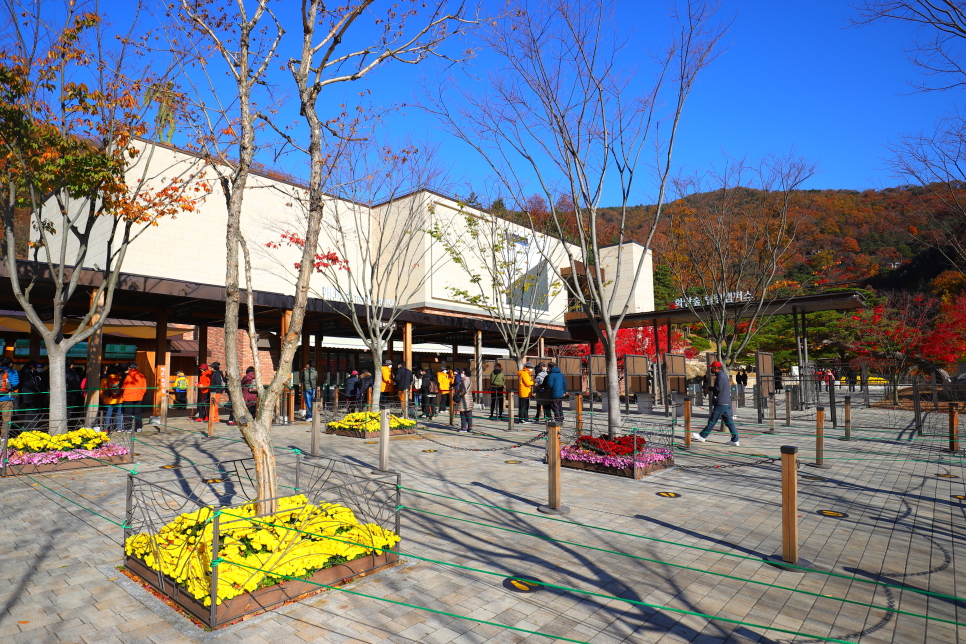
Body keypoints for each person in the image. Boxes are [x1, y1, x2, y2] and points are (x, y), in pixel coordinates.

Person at [691, 361, 739, 446]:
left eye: (712, 367)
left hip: (721, 402)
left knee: (712, 420)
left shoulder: (720, 376)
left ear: (716, 368)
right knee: (729, 422)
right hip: (726, 402)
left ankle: (702, 436)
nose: (711, 369)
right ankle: (735, 440)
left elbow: (718, 388)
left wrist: (709, 388)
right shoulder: (723, 375)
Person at [121, 362, 147, 432]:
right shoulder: (142, 376)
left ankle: (128, 428)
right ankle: (138, 428)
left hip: (128, 396)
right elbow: (144, 388)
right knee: (138, 413)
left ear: (129, 368)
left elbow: (123, 387)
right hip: (138, 396)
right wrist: (141, 394)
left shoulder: (127, 375)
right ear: (137, 368)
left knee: (128, 413)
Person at [18, 361, 42, 431]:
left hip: (25, 397)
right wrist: (41, 392)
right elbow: (37, 385)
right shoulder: (34, 374)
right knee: (35, 413)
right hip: (34, 397)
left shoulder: (22, 374)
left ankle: (27, 428)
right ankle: (33, 429)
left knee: (28, 413)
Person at [0, 356, 20, 438]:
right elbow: (15, 384)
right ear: (10, 364)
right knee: (6, 420)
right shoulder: (12, 371)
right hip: (7, 399)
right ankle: (3, 440)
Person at [101, 365, 124, 432]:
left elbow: (101, 391)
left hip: (108, 400)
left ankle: (107, 428)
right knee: (119, 414)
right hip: (119, 399)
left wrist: (103, 398)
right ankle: (118, 428)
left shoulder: (105, 380)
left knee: (108, 414)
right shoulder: (120, 378)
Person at [65, 362, 83, 428]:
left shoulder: (57, 372)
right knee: (68, 411)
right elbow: (76, 385)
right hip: (70, 395)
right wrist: (77, 395)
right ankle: (66, 425)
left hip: (58, 396)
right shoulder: (73, 373)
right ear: (71, 365)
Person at [456, 367, 474, 432]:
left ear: (465, 373)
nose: (461, 373)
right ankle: (470, 427)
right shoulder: (470, 380)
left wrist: (459, 394)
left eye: (462, 372)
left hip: (464, 399)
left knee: (463, 413)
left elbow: (464, 390)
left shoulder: (465, 380)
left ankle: (463, 428)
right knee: (469, 413)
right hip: (469, 398)